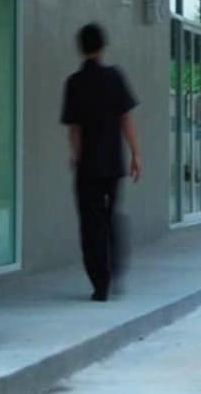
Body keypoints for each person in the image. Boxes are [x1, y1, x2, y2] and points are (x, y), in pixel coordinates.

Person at [60, 23, 141, 302]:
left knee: (90, 223)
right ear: (103, 46)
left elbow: (74, 130)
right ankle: (115, 267)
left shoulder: (74, 83)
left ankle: (99, 281)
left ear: (80, 49)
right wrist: (136, 154)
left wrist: (76, 156)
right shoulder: (115, 77)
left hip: (88, 165)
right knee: (111, 216)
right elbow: (126, 118)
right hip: (113, 163)